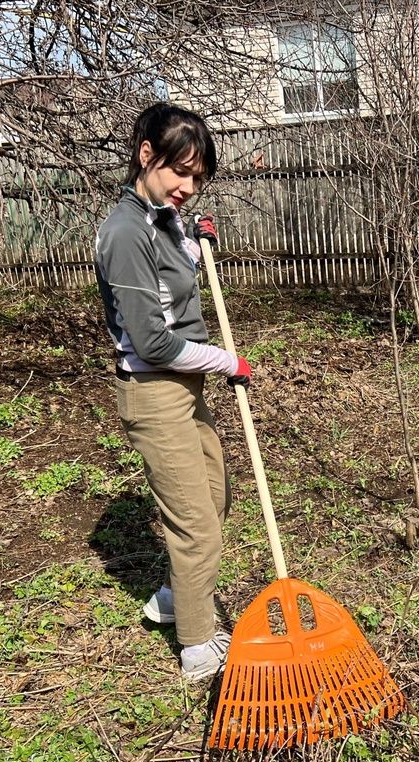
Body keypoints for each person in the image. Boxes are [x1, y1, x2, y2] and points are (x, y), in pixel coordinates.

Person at [94, 103, 253, 682]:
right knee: (196, 522)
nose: (188, 186)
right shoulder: (123, 231)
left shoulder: (161, 218)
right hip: (155, 389)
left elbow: (171, 277)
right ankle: (197, 644)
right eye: (179, 172)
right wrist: (225, 360)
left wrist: (192, 241)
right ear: (146, 156)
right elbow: (154, 341)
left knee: (213, 494)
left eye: (198, 177)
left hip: (184, 388)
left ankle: (171, 596)